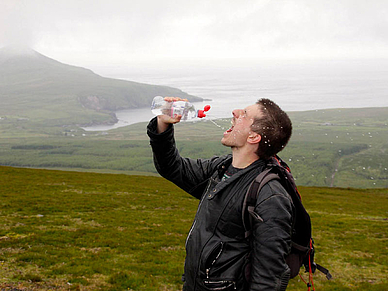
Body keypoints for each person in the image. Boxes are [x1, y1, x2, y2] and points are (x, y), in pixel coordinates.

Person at [147, 97, 294, 291]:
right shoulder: (221, 168)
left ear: (253, 137)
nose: (235, 112)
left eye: (245, 114)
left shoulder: (270, 196)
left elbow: (268, 280)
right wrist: (162, 123)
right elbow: (172, 168)